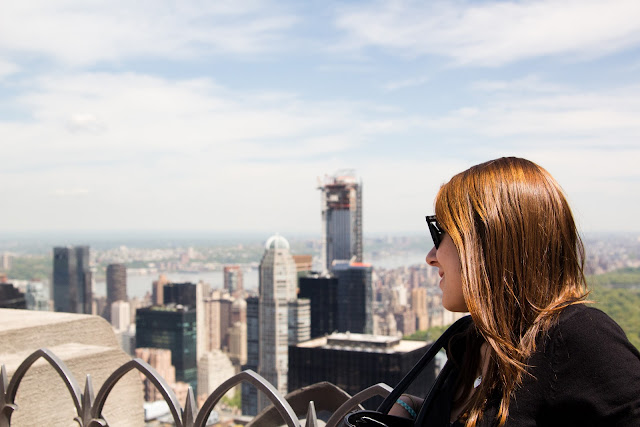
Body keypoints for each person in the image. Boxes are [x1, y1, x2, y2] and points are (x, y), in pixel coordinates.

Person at [389, 157, 640, 426]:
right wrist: (410, 408)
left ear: (486, 242)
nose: (431, 257)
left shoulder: (577, 337)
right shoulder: (471, 343)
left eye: (440, 233)